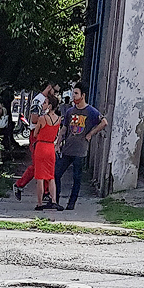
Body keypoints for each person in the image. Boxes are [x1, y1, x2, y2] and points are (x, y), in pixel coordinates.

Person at [53, 82, 105, 210]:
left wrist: (91, 134)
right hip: (68, 148)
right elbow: (64, 128)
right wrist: (58, 143)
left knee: (77, 178)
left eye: (76, 93)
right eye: (73, 93)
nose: (73, 96)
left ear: (83, 95)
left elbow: (104, 122)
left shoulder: (91, 111)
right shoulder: (70, 111)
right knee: (56, 174)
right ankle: (56, 200)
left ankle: (72, 203)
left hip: (80, 150)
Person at [13, 82, 59, 201]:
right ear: (49, 88)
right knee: (38, 165)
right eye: (55, 90)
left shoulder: (44, 101)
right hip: (37, 134)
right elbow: (34, 119)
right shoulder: (39, 100)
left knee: (42, 165)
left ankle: (45, 191)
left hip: (43, 133)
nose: (55, 94)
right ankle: (21, 185)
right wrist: (46, 121)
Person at [33, 93, 63, 211]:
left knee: (40, 177)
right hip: (51, 147)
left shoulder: (42, 119)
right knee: (51, 176)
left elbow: (35, 133)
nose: (43, 104)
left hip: (41, 147)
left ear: (50, 105)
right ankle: (54, 200)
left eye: (45, 102)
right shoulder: (58, 120)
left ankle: (40, 203)